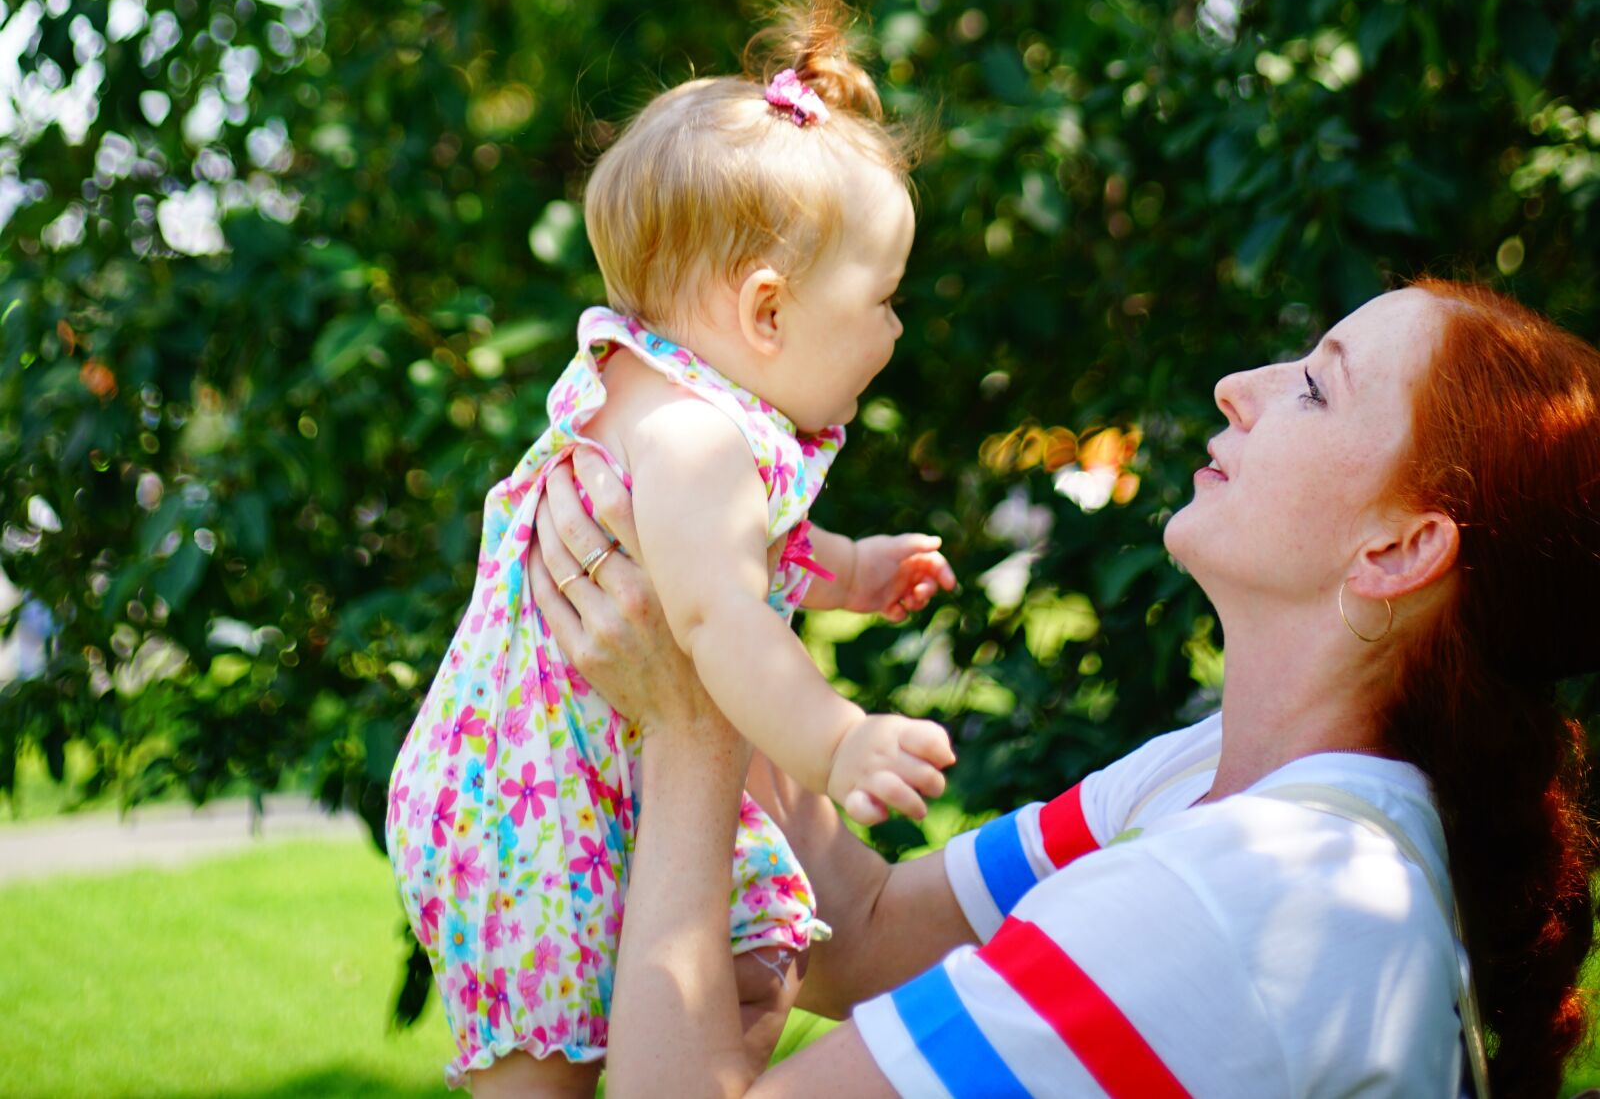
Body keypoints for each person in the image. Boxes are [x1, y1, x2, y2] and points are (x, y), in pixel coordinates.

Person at [529, 278, 1600, 1098]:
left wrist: (688, 730)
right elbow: (858, 926)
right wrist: (708, 609)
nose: (1241, 386)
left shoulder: (1241, 898)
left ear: (1399, 549)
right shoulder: (1213, 784)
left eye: (1316, 385)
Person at [384, 0, 958, 1095]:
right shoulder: (697, 443)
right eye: (883, 295)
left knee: (750, 962)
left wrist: (851, 570)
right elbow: (718, 614)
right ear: (766, 311)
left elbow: (754, 559)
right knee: (540, 1068)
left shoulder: (658, 394)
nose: (895, 324)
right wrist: (835, 739)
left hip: (576, 777)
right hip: (531, 810)